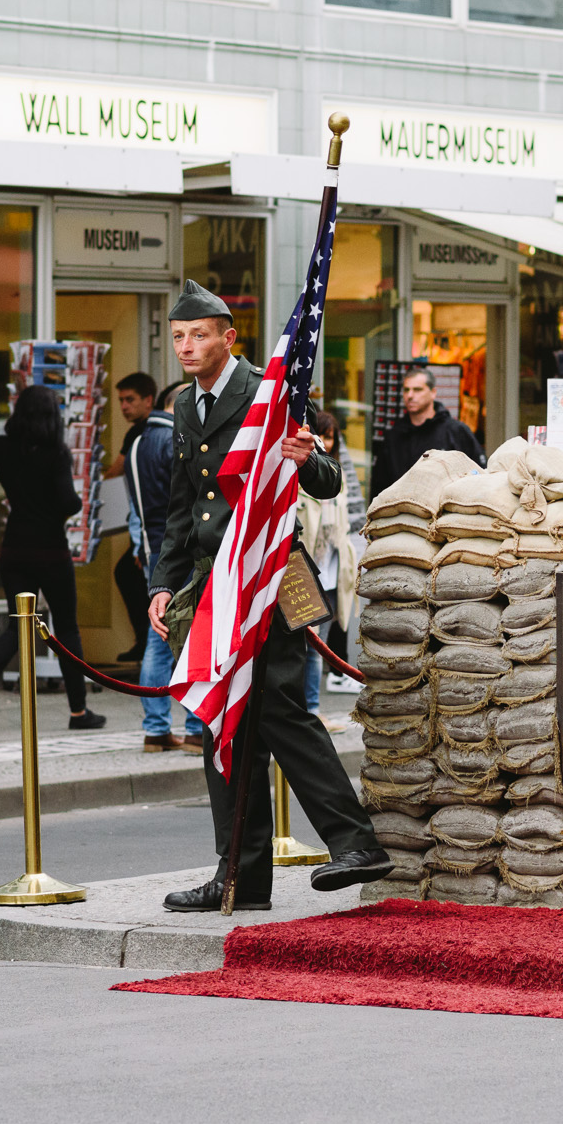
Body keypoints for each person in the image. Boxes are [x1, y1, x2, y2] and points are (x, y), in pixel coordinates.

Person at [146, 280, 390, 911]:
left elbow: (327, 482)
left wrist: (307, 457)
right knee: (220, 721)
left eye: (199, 335)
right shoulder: (185, 405)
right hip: (215, 584)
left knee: (280, 709)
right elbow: (182, 508)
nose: (186, 346)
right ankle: (239, 877)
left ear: (229, 338)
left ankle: (356, 844)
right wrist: (164, 581)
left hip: (273, 574)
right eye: (178, 337)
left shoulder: (270, 391)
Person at [0, 385, 107, 733]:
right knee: (66, 628)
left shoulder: (1, 447)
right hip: (50, 549)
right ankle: (78, 711)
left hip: (15, 547)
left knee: (16, 626)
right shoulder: (56, 453)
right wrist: (74, 501)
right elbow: (68, 501)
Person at [133, 379, 205, 752]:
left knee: (158, 636)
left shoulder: (139, 441)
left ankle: (156, 727)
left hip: (153, 546)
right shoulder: (175, 441)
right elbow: (188, 501)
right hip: (183, 550)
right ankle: (194, 727)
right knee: (194, 634)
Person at [296, 410, 358, 713]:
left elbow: (350, 518)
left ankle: (312, 710)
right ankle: (305, 710)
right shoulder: (298, 474)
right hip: (305, 566)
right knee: (306, 643)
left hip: (332, 566)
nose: (326, 442)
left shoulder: (338, 474)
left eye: (331, 437)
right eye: (321, 435)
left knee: (317, 642)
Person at [367, 367, 485, 503]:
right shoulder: (394, 436)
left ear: (433, 393)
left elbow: (480, 476)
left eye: (417, 390)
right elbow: (379, 487)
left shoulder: (456, 431)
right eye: (406, 390)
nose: (410, 395)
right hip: (401, 513)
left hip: (446, 512)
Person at [106, 372, 159, 663]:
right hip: (148, 526)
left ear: (148, 400)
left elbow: (117, 471)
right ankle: (147, 642)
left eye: (130, 400)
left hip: (152, 528)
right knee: (130, 574)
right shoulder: (143, 432)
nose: (124, 407)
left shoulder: (144, 433)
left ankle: (148, 642)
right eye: (121, 401)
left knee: (131, 574)